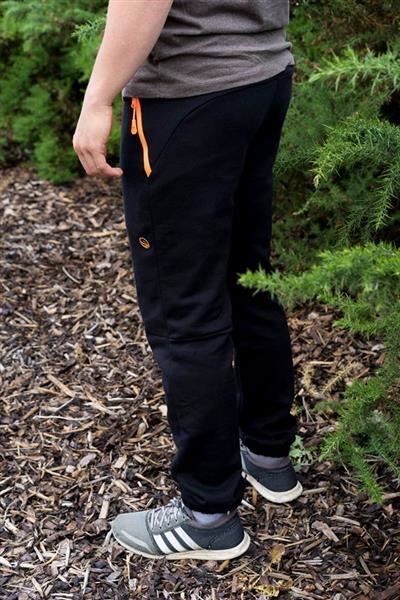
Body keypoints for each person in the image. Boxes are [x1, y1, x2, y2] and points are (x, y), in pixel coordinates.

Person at [72, 0, 302, 561]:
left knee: (185, 306)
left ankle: (208, 515)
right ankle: (268, 455)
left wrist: (98, 98)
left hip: (188, 95)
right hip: (263, 77)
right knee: (248, 278)